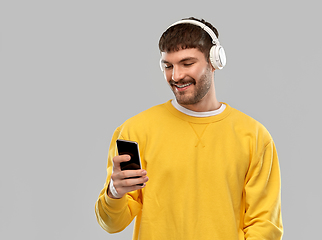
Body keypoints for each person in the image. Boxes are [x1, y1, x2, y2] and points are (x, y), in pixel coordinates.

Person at [95, 17, 283, 240]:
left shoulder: (254, 137)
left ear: (214, 61)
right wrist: (114, 193)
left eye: (187, 63)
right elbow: (111, 224)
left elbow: (265, 226)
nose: (176, 76)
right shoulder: (134, 132)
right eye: (168, 66)